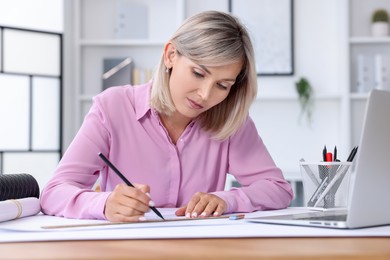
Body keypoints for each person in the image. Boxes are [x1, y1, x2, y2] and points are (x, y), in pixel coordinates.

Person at [40, 10, 293, 222]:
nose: (205, 95)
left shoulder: (230, 121)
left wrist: (227, 200)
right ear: (171, 55)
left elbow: (278, 189)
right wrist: (104, 204)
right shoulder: (113, 107)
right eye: (198, 73)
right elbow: (53, 193)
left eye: (222, 85)